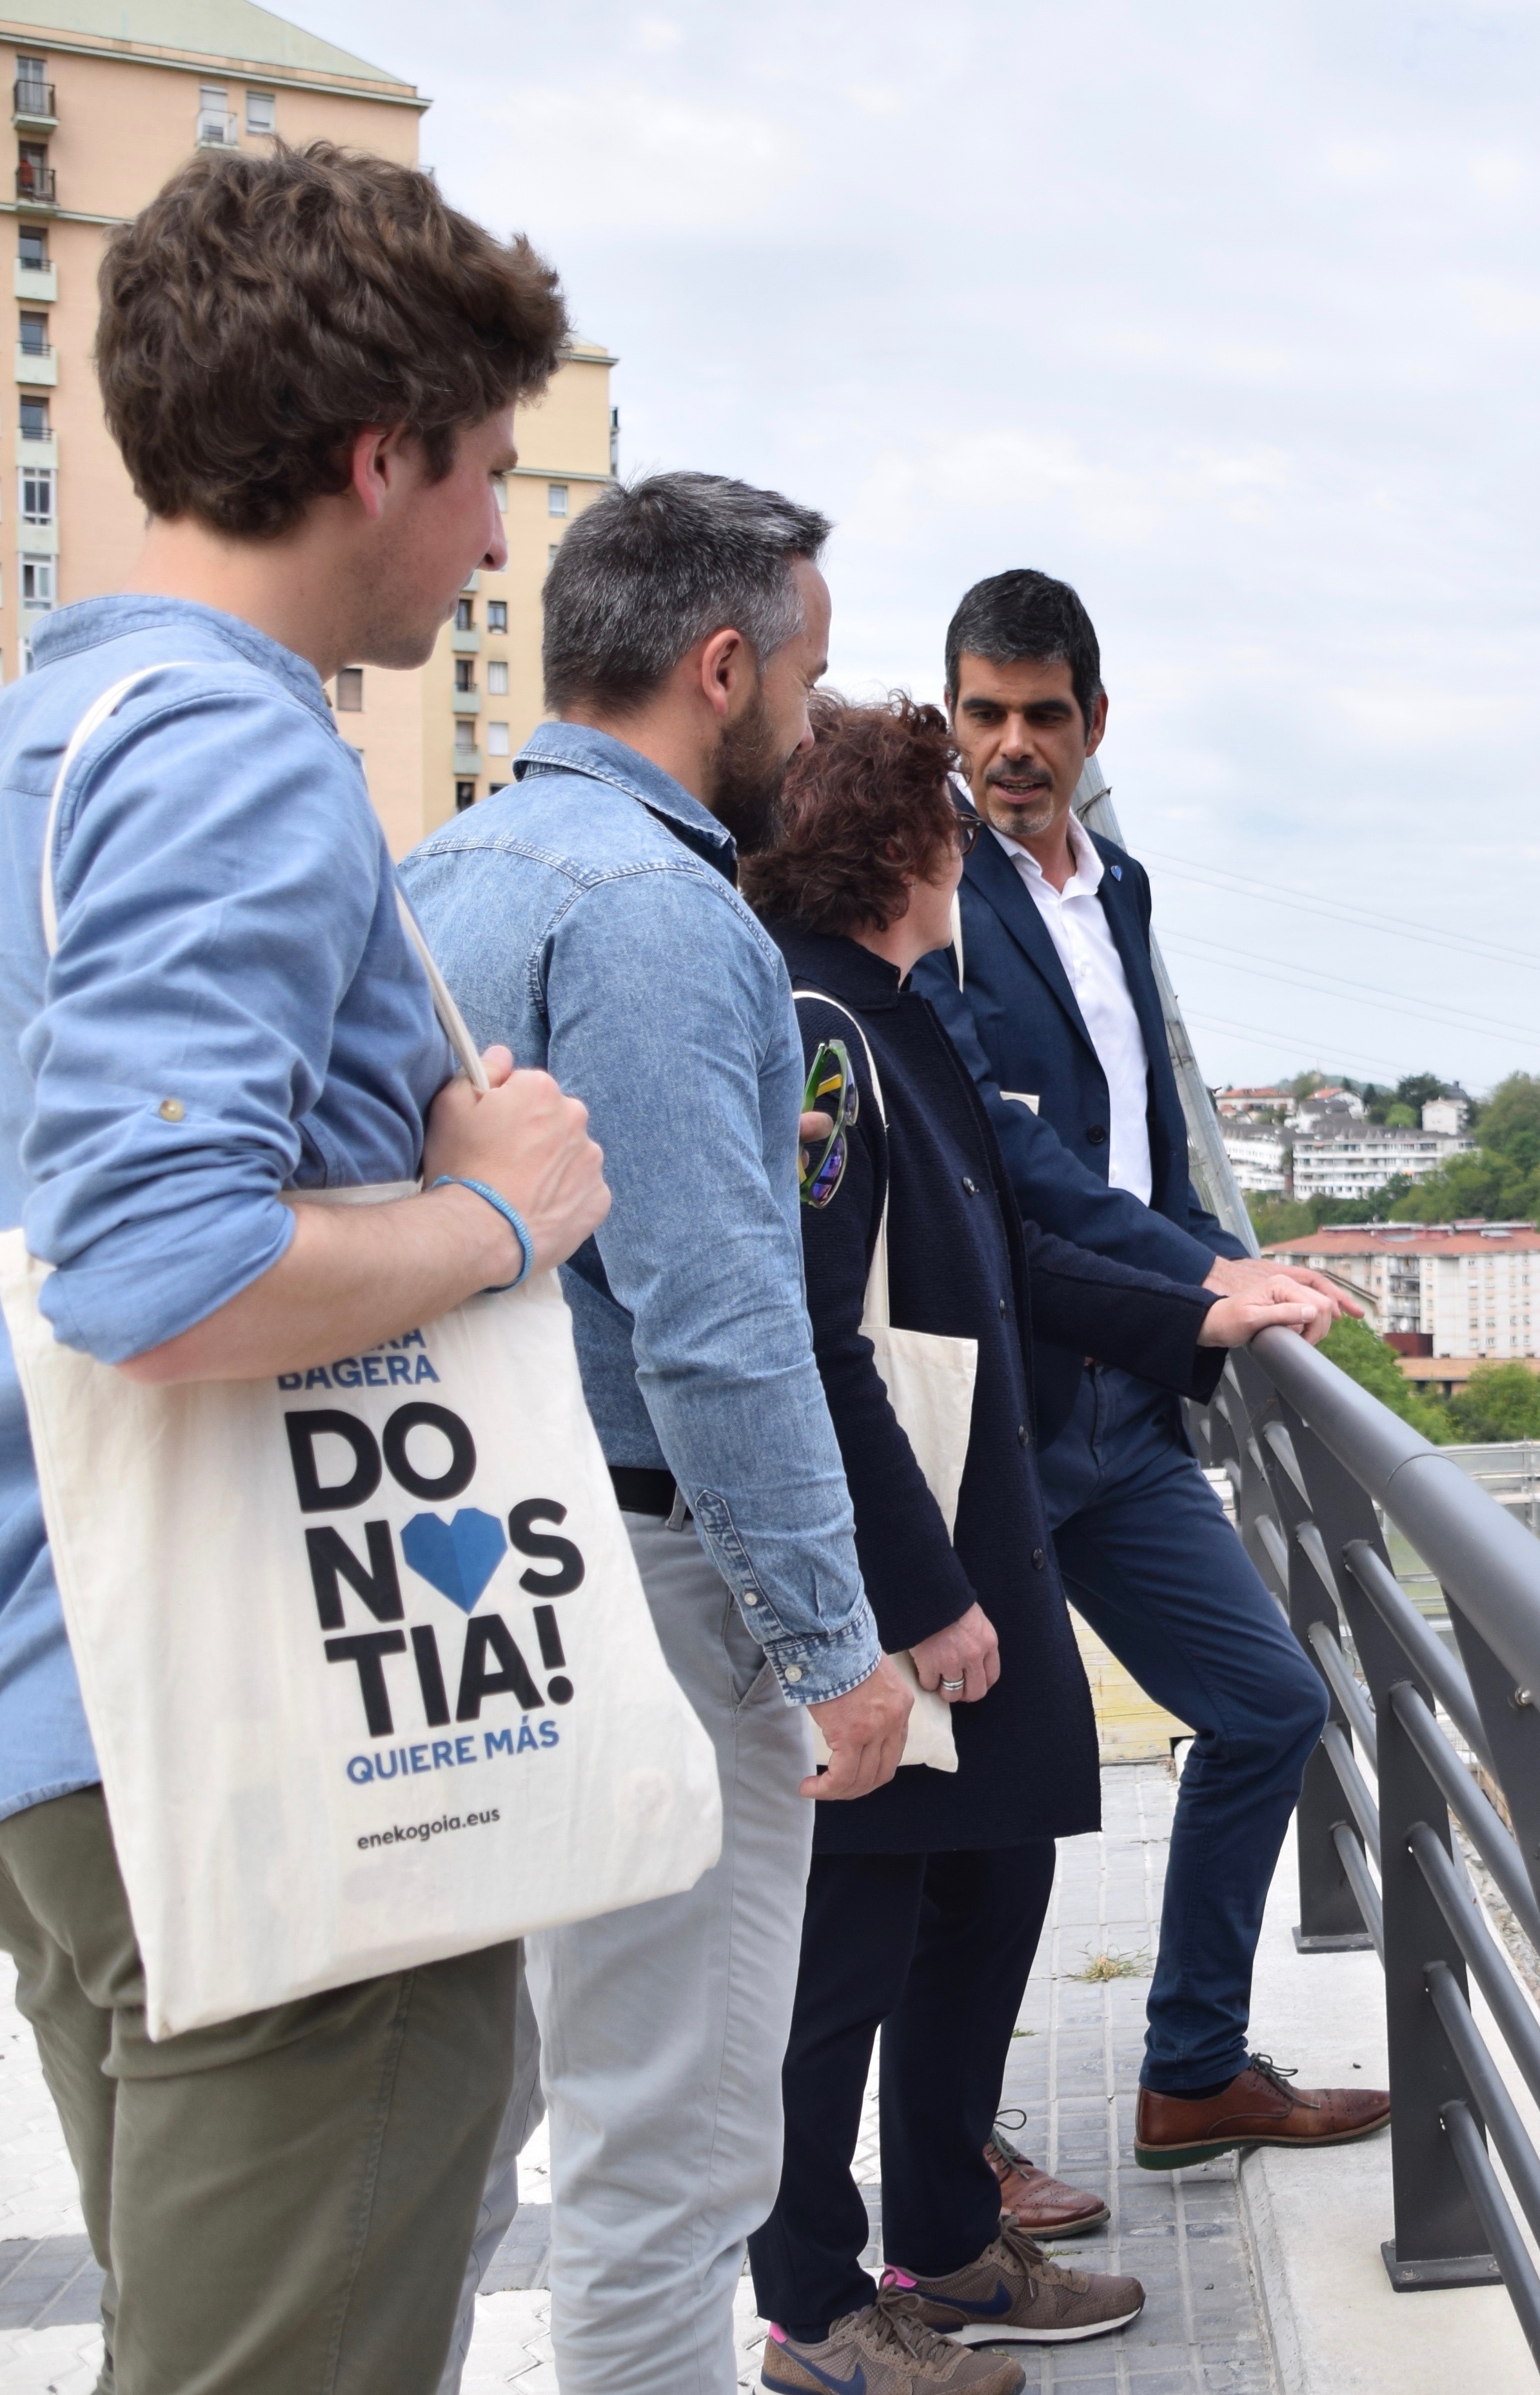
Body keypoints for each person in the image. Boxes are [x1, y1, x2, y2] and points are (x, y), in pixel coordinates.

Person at [0, 144, 602, 2393]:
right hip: (285, 1730)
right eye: (486, 476)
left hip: (82, 1700)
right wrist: (500, 1210)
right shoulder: (238, 750)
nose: (494, 542)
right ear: (379, 458)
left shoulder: (53, 736)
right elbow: (153, 1263)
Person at [410, 473, 920, 2393]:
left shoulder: (439, 874)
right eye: (805, 672)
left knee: (455, 2143)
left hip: (470, 1566)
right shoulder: (658, 912)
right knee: (671, 2158)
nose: (811, 715)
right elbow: (720, 1326)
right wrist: (831, 1643)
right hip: (643, 1574)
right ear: (722, 669)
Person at [742, 697, 1319, 2391]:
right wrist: (922, 1597)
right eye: (945, 824)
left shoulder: (899, 1019)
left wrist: (1202, 1311)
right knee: (849, 1955)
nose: (967, 853)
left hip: (963, 1532)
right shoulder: (826, 1036)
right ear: (901, 852)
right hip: (898, 1566)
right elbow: (816, 1337)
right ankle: (818, 2311)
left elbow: (1017, 1261)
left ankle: (946, 2246)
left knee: (993, 1881)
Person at [910, 570, 1386, 2174]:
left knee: (1268, 1706)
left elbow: (1149, 1153)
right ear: (953, 717)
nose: (1012, 746)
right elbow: (1010, 1160)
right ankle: (952, 2160)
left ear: (1093, 721)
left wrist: (1232, 1260)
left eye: (1043, 714)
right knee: (986, 1805)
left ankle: (1191, 2071)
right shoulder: (934, 889)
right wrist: (1198, 1280)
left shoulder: (1120, 891)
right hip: (998, 1405)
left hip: (1128, 1398)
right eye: (984, 713)